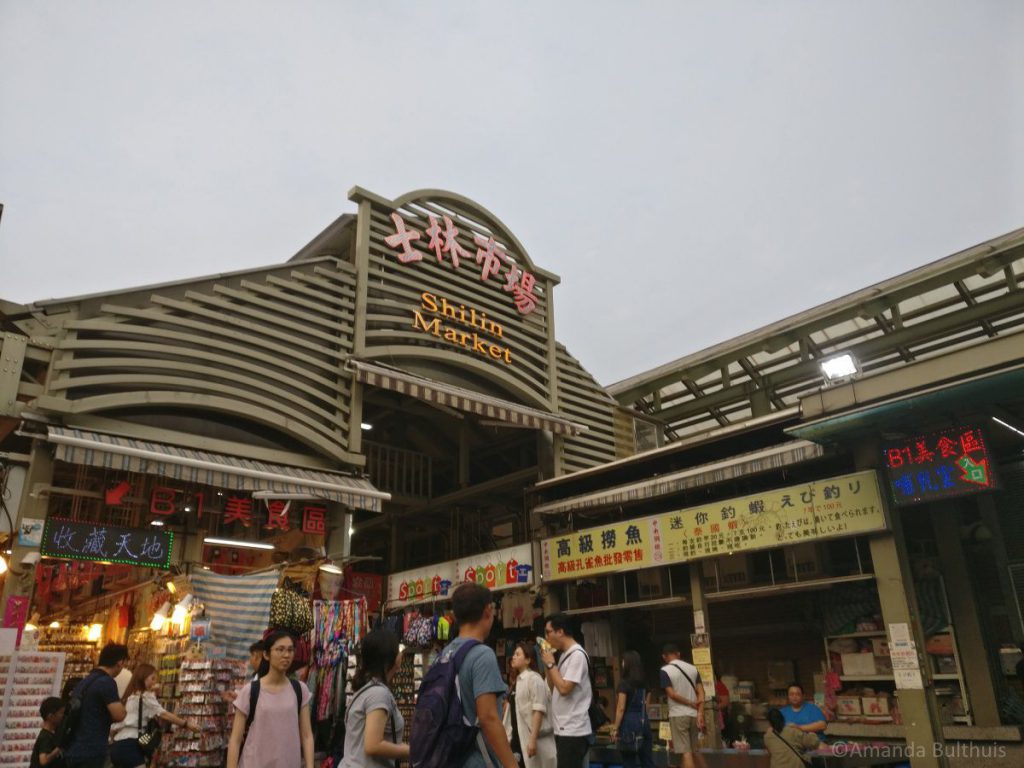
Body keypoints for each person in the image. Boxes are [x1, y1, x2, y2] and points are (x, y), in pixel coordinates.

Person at [427, 582, 519, 768]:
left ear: (454, 615)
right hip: (477, 760)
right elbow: (488, 718)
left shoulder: (444, 655)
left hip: (448, 758)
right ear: (488, 611)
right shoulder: (482, 655)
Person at [226, 630, 315, 768]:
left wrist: (310, 765)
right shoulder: (250, 691)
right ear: (266, 655)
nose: (286, 655)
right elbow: (235, 740)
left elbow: (307, 735)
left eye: (290, 650)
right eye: (280, 650)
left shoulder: (300, 690)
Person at [339, 627, 409, 768]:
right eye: (398, 650)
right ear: (389, 657)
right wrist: (414, 751)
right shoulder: (378, 694)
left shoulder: (367, 689)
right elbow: (373, 745)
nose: (401, 654)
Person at [109, 663, 200, 768]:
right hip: (131, 745)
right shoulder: (146, 697)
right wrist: (186, 724)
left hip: (117, 745)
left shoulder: (130, 695)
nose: (154, 682)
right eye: (152, 678)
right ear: (143, 677)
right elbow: (163, 714)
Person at [539, 613, 592, 768]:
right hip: (563, 729)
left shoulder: (577, 655)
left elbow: (564, 688)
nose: (546, 637)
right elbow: (552, 686)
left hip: (573, 730)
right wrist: (548, 664)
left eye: (548, 632)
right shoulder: (564, 656)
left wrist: (551, 665)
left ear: (560, 632)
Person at [63, 642, 129, 768]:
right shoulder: (106, 682)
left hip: (74, 747)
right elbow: (119, 715)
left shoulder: (86, 681)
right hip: (92, 749)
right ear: (120, 662)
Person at [509, 642, 556, 768]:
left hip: (534, 741)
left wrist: (533, 739)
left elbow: (539, 709)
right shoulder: (517, 681)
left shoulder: (534, 679)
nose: (513, 657)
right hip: (518, 739)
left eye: (517, 654)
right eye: (513, 654)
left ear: (528, 659)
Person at [659, 644, 703, 768]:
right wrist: (699, 712)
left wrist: (689, 702)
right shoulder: (693, 668)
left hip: (678, 715)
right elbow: (701, 693)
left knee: (686, 753)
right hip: (693, 715)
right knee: (695, 750)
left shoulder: (665, 670)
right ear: (678, 654)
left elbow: (671, 694)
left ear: (664, 656)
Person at [610, 651, 654, 768]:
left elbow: (621, 708)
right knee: (647, 761)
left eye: (623, 661)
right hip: (644, 724)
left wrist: (615, 728)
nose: (622, 663)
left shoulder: (623, 684)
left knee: (629, 762)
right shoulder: (645, 683)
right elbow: (646, 707)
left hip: (628, 726)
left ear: (627, 664)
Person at [30, 696, 65, 768]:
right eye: (61, 713)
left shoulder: (50, 734)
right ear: (51, 716)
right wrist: (59, 749)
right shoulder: (45, 737)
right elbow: (44, 760)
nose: (63, 716)